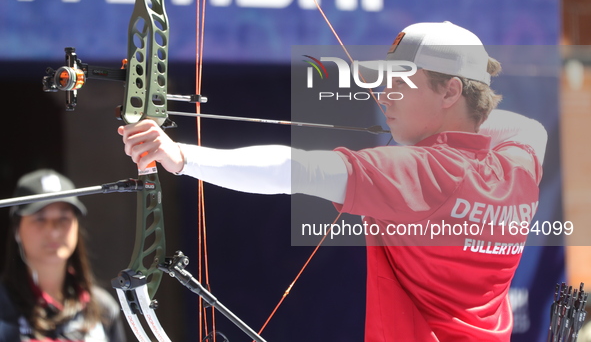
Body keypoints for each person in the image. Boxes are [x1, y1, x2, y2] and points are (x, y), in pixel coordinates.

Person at [118, 22, 547, 341]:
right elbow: (526, 127)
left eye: (401, 80)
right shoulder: (519, 162)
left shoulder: (423, 172)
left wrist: (180, 157)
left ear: (451, 91)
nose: (383, 94)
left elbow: (295, 169)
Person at [0, 169, 127, 342]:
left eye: (64, 218)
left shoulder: (103, 307)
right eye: (40, 218)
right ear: (16, 229)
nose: (53, 231)